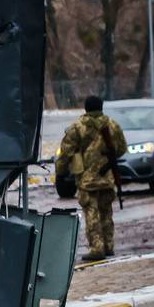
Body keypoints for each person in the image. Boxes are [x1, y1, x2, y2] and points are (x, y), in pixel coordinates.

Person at [56, 94, 128, 262]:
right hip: (107, 178)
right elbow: (122, 148)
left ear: (86, 108)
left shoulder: (78, 127)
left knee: (91, 213)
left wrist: (60, 171)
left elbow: (66, 151)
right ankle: (109, 245)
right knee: (106, 212)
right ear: (101, 107)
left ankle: (97, 248)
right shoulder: (113, 125)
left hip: (87, 180)